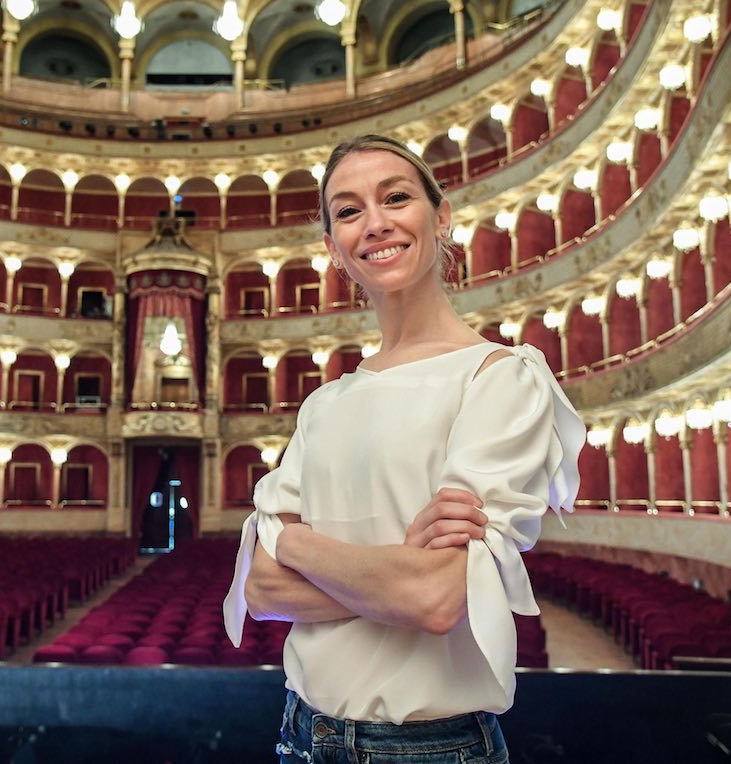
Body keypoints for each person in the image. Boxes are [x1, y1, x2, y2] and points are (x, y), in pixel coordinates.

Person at [222, 134, 586, 764]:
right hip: (301, 733)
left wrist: (294, 542)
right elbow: (261, 589)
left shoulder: (499, 377)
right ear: (332, 245)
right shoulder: (324, 404)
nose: (375, 223)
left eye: (395, 197)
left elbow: (437, 599)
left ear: (440, 215)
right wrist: (398, 574)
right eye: (348, 210)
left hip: (429, 746)